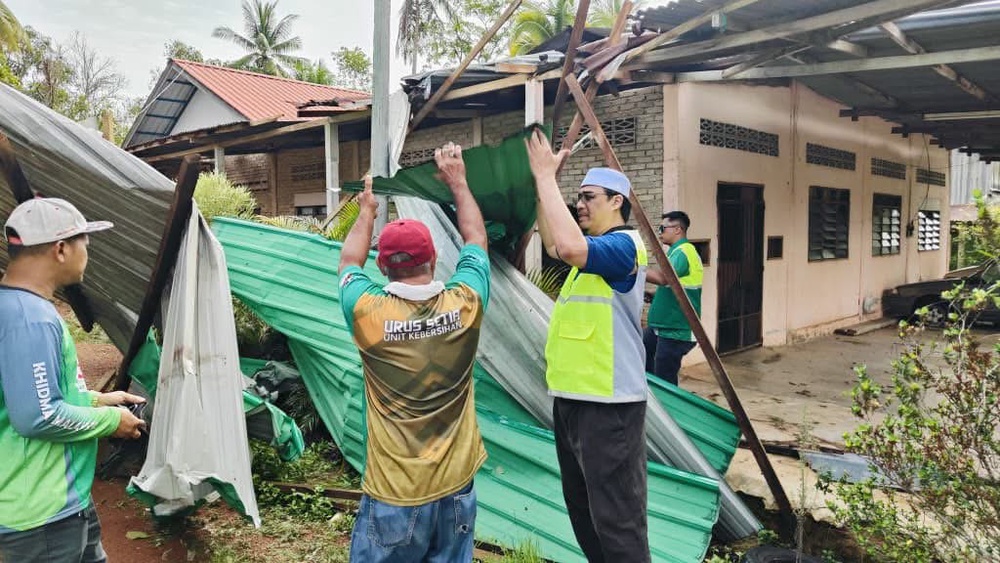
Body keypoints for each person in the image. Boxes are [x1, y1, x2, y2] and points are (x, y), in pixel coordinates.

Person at [338, 142, 490, 563]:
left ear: (383, 267)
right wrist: (458, 183)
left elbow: (349, 261)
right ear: (436, 257)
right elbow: (476, 238)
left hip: (395, 494)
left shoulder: (368, 311)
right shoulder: (466, 303)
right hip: (457, 488)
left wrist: (367, 211)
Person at [525, 129, 650, 563]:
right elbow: (554, 240)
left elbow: (570, 247)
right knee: (584, 512)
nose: (580, 204)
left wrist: (546, 177)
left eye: (589, 197)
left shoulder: (624, 246)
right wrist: (546, 187)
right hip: (574, 400)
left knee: (617, 519)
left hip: (610, 405)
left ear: (617, 201)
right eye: (577, 197)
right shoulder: (591, 253)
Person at [0, 198, 147, 563]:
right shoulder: (30, 319)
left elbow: (31, 393)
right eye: (84, 241)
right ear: (61, 249)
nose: (87, 251)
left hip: (63, 500)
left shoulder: (16, 308)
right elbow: (38, 416)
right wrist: (113, 422)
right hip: (40, 510)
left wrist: (99, 401)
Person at [644, 211, 703, 386]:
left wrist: (635, 268)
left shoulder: (684, 252)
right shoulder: (676, 252)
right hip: (662, 327)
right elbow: (676, 286)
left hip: (675, 330)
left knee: (665, 382)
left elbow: (664, 278)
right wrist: (656, 296)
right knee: (644, 356)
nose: (660, 232)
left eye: (662, 228)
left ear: (677, 230)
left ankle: (667, 411)